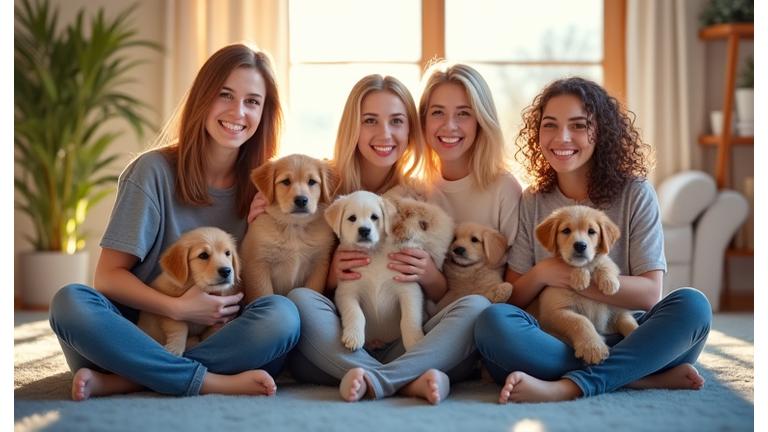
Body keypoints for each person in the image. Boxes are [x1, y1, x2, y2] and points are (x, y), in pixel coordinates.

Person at [48, 43, 300, 401]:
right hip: (131, 335)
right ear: (202, 98)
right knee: (69, 302)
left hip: (209, 337)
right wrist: (178, 307)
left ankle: (132, 380)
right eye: (225, 95)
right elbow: (107, 277)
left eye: (252, 101)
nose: (237, 111)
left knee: (283, 317)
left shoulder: (268, 187)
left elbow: (254, 283)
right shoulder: (151, 172)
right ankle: (209, 381)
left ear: (264, 112)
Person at [473, 77, 712, 404]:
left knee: (693, 306)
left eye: (579, 125)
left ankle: (567, 385)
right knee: (491, 323)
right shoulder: (534, 200)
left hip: (627, 332)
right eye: (550, 125)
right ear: (537, 134)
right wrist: (544, 272)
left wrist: (576, 281)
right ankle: (636, 376)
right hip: (560, 338)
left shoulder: (636, 193)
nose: (563, 137)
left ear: (602, 132)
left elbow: (649, 294)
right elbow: (514, 299)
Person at [284, 74, 490, 405]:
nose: (385, 134)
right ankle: (409, 380)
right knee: (299, 302)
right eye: (370, 121)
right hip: (345, 338)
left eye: (397, 121)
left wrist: (429, 274)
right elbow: (292, 263)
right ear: (353, 127)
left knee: (477, 308)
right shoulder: (319, 186)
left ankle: (375, 378)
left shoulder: (421, 198)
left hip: (406, 339)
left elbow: (442, 292)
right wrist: (332, 275)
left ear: (411, 130)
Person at [418, 61, 522, 269]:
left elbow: (516, 276)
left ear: (481, 121)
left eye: (464, 113)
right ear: (423, 121)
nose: (449, 126)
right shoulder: (417, 190)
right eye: (438, 112)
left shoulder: (504, 188)